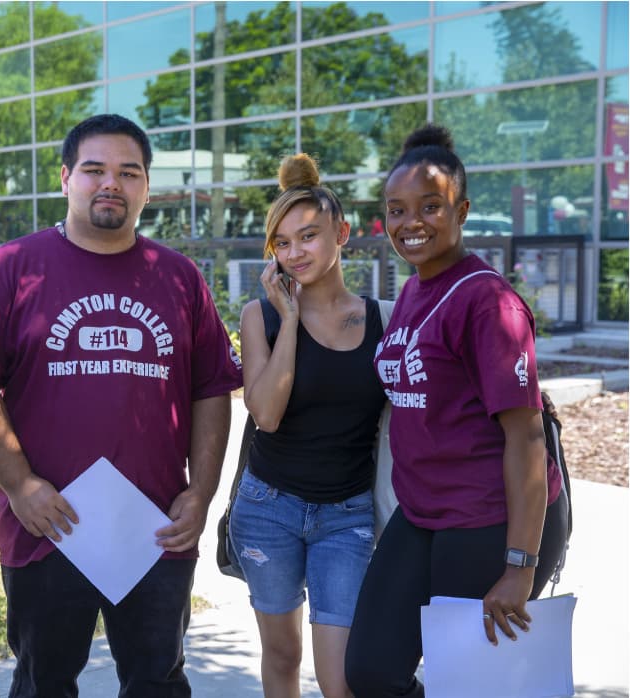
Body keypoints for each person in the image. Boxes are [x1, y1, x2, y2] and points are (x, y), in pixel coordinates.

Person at [0, 113, 243, 697]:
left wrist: (202, 491)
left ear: (146, 187)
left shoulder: (179, 278)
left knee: (157, 681)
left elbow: (211, 387)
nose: (110, 183)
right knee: (44, 683)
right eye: (94, 169)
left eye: (128, 172)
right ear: (65, 178)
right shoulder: (12, 269)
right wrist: (19, 484)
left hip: (154, 528)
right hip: (47, 524)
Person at [344, 124, 569, 697]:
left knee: (467, 682)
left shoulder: (488, 302)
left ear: (461, 209)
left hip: (489, 519)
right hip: (422, 515)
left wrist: (519, 566)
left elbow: (526, 439)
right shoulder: (417, 287)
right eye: (396, 210)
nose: (410, 222)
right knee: (370, 671)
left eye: (430, 206)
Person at [230, 154, 387, 698]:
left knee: (340, 678)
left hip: (347, 515)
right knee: (281, 656)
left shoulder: (382, 319)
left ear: (342, 233)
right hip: (268, 508)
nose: (295, 252)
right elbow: (266, 414)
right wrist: (291, 321)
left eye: (309, 236)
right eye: (282, 242)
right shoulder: (261, 317)